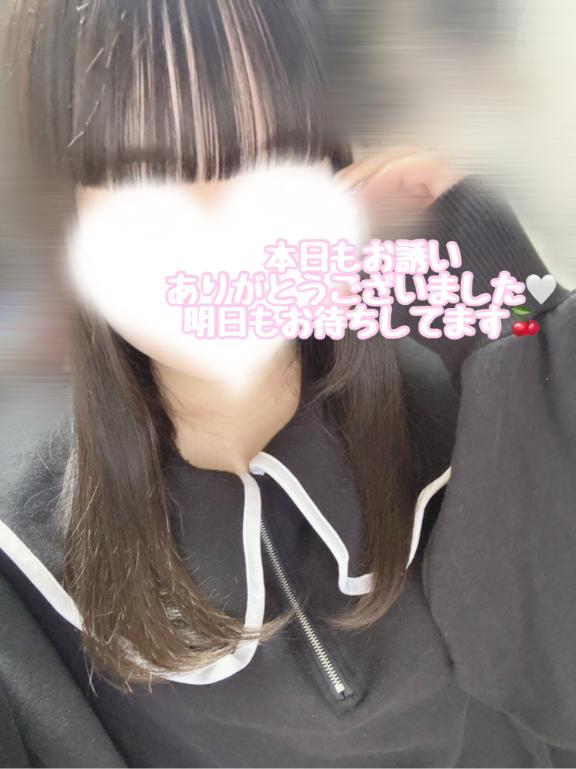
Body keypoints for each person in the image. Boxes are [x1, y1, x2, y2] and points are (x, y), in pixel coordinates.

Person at [0, 2, 575, 767]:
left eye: (270, 151)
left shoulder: (467, 399)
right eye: (141, 169)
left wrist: (522, 326)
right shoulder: (23, 557)